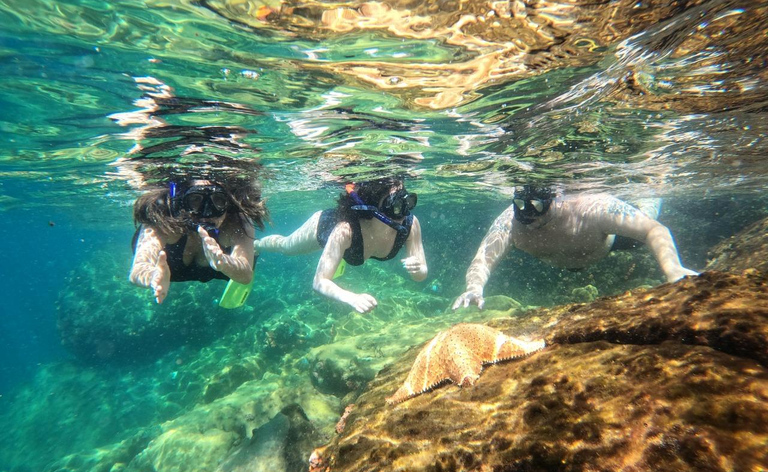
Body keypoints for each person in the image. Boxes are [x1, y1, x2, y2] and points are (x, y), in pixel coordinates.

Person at [453, 186, 698, 310]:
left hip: (605, 245)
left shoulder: (592, 208)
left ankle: (650, 195)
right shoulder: (510, 221)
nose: (528, 217)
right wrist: (473, 288)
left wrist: (673, 270)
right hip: (564, 259)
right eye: (519, 205)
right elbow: (483, 258)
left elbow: (654, 230)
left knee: (645, 218)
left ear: (556, 198)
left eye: (537, 207)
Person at [255, 177, 428, 313]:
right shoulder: (344, 230)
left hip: (351, 246)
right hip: (325, 226)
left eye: (408, 202)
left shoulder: (410, 225)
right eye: (396, 204)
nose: (404, 211)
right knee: (286, 247)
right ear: (373, 208)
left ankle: (339, 257)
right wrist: (351, 298)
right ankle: (256, 245)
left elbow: (420, 276)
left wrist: (419, 269)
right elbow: (319, 281)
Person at [129, 177, 268, 304]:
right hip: (172, 270)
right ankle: (253, 246)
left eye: (218, 200)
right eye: (196, 200)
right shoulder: (163, 220)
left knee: (249, 250)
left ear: (228, 204)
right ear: (181, 202)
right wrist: (153, 275)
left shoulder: (237, 222)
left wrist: (225, 263)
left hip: (222, 267)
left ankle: (255, 246)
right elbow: (138, 268)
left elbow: (245, 275)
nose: (207, 212)